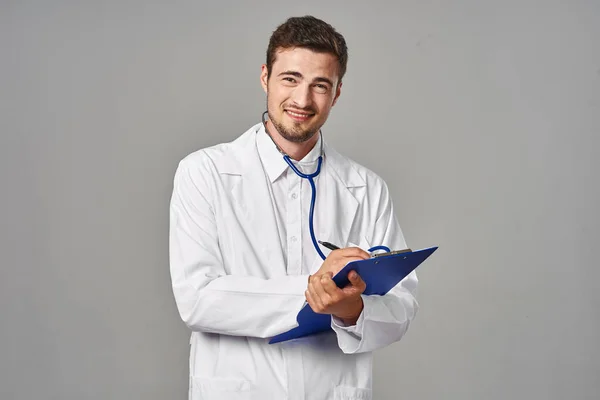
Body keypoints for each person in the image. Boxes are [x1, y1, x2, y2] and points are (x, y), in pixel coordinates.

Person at [169, 15, 418, 400]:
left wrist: (352, 310)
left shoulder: (366, 189)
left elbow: (400, 307)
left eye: (320, 85)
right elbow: (198, 298)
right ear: (265, 77)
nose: (302, 101)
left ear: (336, 94)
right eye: (290, 79)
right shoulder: (205, 173)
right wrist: (313, 291)